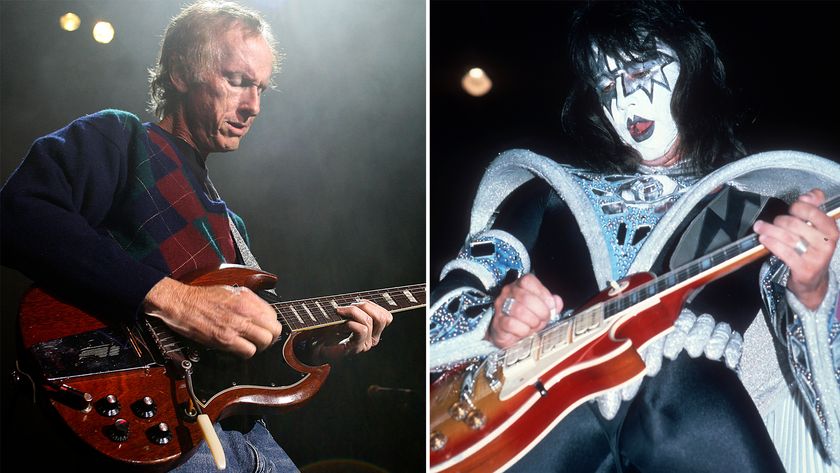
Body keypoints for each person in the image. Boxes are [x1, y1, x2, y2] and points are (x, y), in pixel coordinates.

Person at [429, 1, 840, 472]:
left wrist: (812, 291)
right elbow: (451, 297)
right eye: (606, 85)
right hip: (541, 415)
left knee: (681, 385)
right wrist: (495, 320)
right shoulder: (548, 194)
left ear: (692, 66)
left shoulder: (760, 201)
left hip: (686, 412)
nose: (622, 100)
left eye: (642, 70)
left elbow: (815, 356)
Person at [1, 1, 395, 471]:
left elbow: (235, 351)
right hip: (148, 425)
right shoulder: (120, 139)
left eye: (261, 88)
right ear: (181, 71)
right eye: (238, 81)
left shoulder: (233, 227)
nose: (253, 106)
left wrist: (317, 346)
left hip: (241, 433)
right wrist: (175, 300)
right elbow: (17, 214)